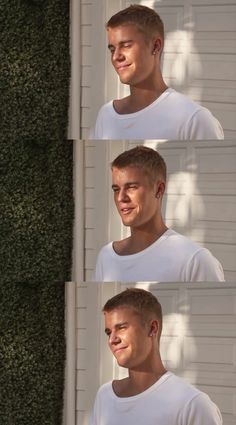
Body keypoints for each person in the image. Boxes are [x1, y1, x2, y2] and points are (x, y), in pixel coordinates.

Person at [90, 288, 222, 425]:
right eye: (108, 332)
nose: (112, 340)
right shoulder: (105, 396)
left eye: (122, 327)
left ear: (152, 328)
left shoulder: (192, 405)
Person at [91, 4, 224, 140]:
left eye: (126, 45)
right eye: (112, 49)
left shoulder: (194, 120)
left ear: (156, 46)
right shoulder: (106, 115)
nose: (115, 57)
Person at [94, 145, 225, 281]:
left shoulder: (195, 261)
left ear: (159, 189)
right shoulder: (107, 256)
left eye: (132, 187)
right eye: (116, 189)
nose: (121, 197)